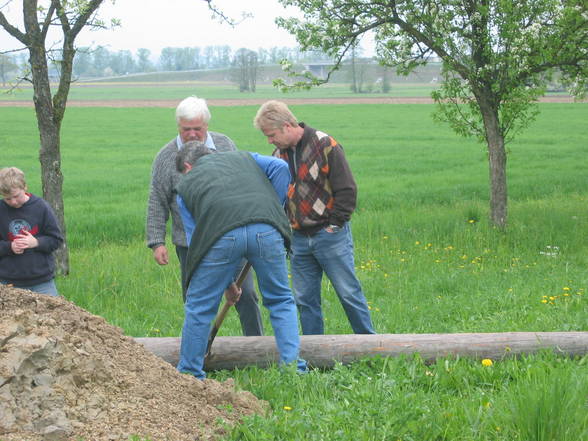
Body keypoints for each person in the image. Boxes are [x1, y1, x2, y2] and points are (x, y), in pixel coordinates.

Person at [174, 141, 306, 379]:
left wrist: (223, 283)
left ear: (187, 166)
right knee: (280, 300)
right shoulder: (245, 157)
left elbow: (199, 244)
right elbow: (279, 167)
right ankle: (292, 367)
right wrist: (272, 209)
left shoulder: (185, 188)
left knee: (200, 307)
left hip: (220, 236)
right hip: (267, 230)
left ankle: (190, 374)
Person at [253, 100, 376, 335]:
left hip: (329, 235)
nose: (269, 140)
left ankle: (369, 346)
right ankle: (313, 353)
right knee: (305, 300)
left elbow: (347, 189)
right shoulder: (278, 155)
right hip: (298, 239)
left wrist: (335, 225)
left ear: (287, 126)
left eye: (271, 135)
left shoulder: (325, 144)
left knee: (348, 293)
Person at [146, 95, 263, 336]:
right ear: (178, 126)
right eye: (185, 129)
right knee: (195, 298)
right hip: (190, 243)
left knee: (246, 295)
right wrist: (157, 242)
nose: (191, 134)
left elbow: (242, 185)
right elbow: (157, 200)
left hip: (233, 236)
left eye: (197, 129)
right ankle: (199, 350)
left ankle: (256, 346)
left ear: (206, 126)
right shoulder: (165, 157)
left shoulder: (225, 145)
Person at [0, 167, 63, 296]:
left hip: (42, 282)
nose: (13, 202)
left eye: (16, 196)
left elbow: (56, 239)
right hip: (7, 282)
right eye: (7, 199)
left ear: (25, 187)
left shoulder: (41, 207)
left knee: (51, 315)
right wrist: (9, 247)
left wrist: (35, 242)